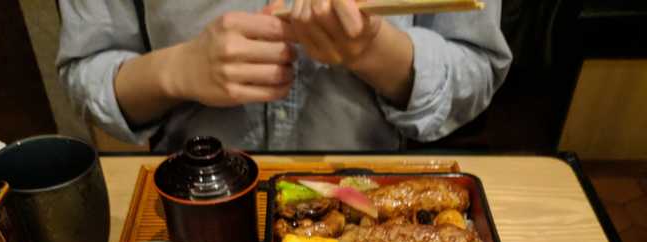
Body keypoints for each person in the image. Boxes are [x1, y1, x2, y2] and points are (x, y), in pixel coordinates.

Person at [56, 0, 512, 153]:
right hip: (188, 205)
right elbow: (85, 68)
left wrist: (374, 50)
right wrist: (174, 71)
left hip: (372, 198)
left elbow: (477, 66)